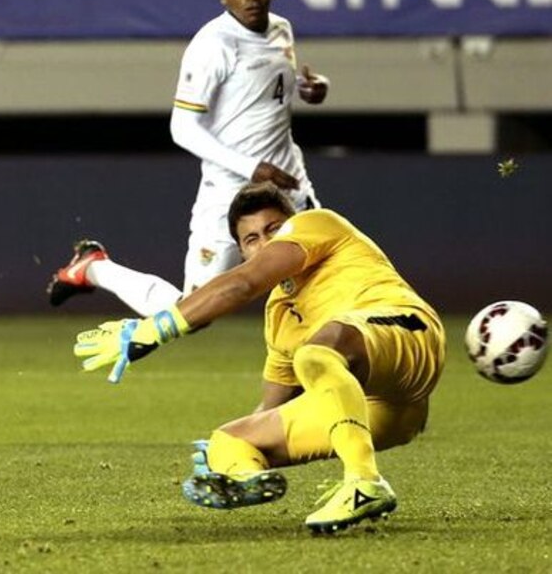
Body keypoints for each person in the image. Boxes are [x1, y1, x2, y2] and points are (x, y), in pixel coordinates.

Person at [74, 182, 446, 533]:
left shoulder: (317, 223)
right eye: (252, 239)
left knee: (316, 354)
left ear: (292, 225)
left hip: (409, 332)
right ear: (242, 252)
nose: (266, 243)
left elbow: (242, 284)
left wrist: (153, 329)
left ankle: (364, 482)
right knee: (230, 438)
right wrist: (228, 460)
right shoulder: (280, 316)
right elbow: (271, 408)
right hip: (384, 413)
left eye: (274, 229)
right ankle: (245, 477)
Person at [48, 0, 329, 316]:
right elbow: (182, 127)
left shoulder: (281, 29)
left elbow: (266, 89)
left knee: (323, 273)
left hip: (287, 184)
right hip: (230, 191)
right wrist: (251, 167)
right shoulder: (213, 45)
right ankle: (93, 268)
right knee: (190, 311)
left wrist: (308, 87)